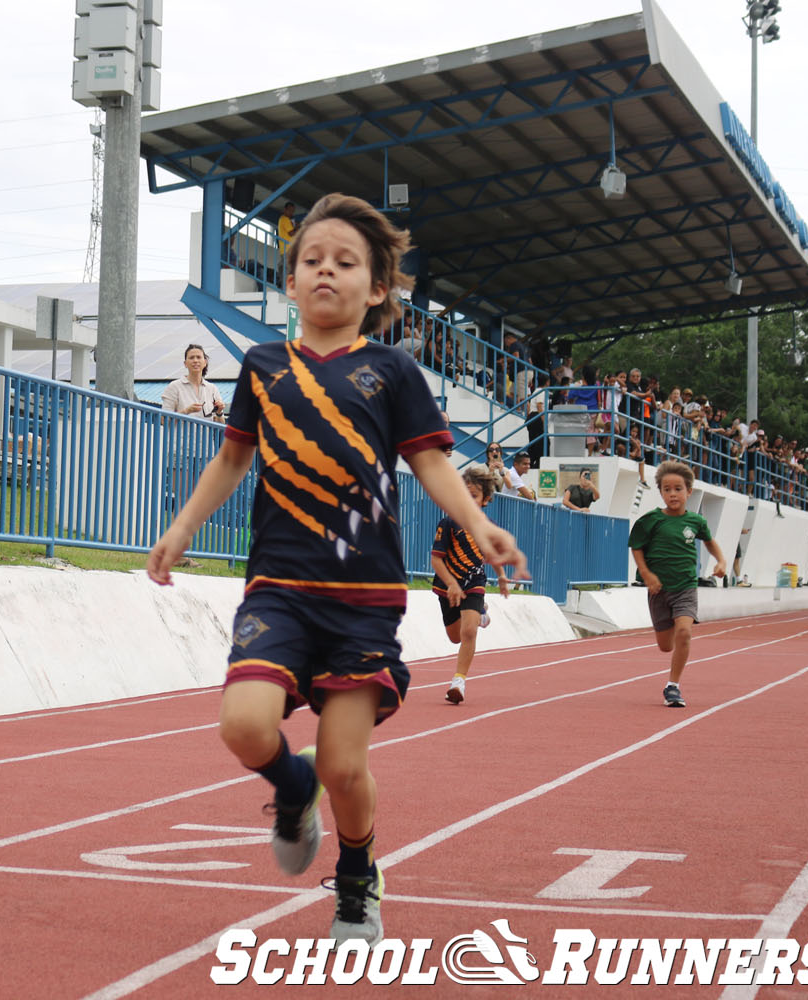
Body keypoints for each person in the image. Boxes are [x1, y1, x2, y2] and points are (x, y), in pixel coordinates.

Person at [144, 193, 526, 945]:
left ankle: (357, 877)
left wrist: (478, 523)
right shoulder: (261, 367)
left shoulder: (392, 371)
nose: (326, 272)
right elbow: (231, 459)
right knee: (244, 726)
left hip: (364, 598)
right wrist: (183, 526)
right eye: (311, 261)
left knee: (347, 769)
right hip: (279, 587)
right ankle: (292, 790)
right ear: (290, 282)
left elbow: (429, 461)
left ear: (377, 287)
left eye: (345, 262)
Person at [629, 461, 726, 708]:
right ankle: (671, 639)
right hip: (658, 590)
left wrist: (721, 560)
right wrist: (647, 574)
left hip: (685, 587)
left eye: (678, 489)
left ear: (689, 492)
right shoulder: (650, 520)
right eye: (667, 489)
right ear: (661, 492)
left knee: (685, 632)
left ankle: (673, 686)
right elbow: (636, 547)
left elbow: (710, 542)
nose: (673, 494)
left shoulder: (696, 522)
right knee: (665, 646)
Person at [432, 464, 511, 705]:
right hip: (448, 584)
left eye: (474, 495)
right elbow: (436, 559)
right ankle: (481, 613)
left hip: (474, 581)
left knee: (469, 632)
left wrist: (501, 576)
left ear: (485, 499)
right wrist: (451, 584)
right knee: (455, 637)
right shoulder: (448, 523)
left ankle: (458, 681)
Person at [160, 343, 225, 423]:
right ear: (185, 364)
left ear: (205, 362)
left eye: (198, 357)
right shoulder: (174, 386)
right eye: (191, 358)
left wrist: (219, 413)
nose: (195, 360)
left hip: (205, 435)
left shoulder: (212, 389)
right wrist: (187, 411)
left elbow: (221, 425)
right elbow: (163, 420)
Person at [277, 200, 297, 272]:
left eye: (293, 211)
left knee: (286, 269)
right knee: (288, 271)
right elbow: (291, 233)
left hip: (286, 249)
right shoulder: (284, 219)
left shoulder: (285, 220)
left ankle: (280, 267)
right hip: (287, 249)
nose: (291, 213)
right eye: (290, 210)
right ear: (285, 209)